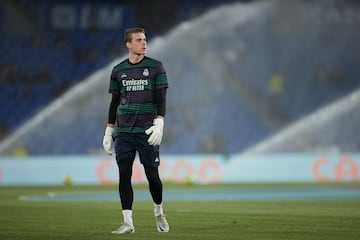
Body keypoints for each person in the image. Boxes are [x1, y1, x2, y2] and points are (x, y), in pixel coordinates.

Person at [102, 27, 169, 234]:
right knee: (124, 174)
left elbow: (161, 98)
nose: (144, 43)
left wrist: (160, 122)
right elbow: (114, 103)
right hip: (123, 132)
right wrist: (108, 130)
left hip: (147, 130)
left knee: (152, 176)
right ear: (128, 44)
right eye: (139, 40)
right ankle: (128, 223)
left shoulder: (156, 67)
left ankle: (158, 211)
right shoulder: (118, 70)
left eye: (145, 39)